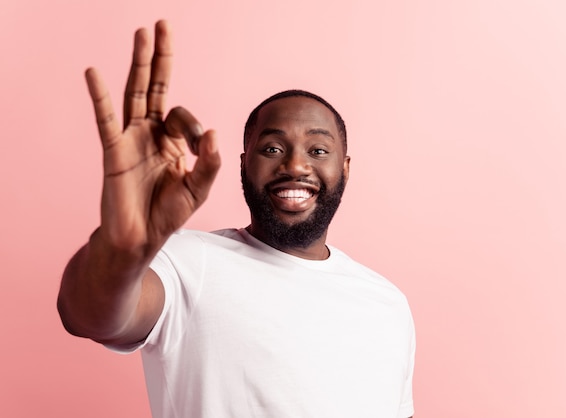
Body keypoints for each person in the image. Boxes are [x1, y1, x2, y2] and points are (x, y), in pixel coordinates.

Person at [57, 20, 415, 418]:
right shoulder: (187, 263)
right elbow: (89, 315)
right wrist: (119, 251)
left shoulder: (388, 304)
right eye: (273, 148)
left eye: (317, 150)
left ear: (344, 168)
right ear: (244, 166)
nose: (295, 165)